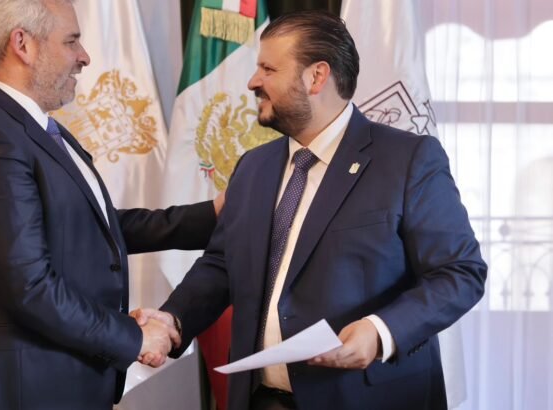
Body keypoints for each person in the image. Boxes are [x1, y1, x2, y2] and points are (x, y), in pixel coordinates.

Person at [133, 10, 487, 410]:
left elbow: (460, 273)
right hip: (260, 400)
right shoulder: (254, 166)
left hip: (367, 399)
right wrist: (174, 319)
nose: (253, 82)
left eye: (268, 69)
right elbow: (222, 264)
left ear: (317, 77)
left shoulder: (407, 160)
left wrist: (379, 331)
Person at [0, 0, 221, 408]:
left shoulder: (31, 126)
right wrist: (134, 337)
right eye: (71, 41)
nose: (84, 56)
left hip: (57, 383)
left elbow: (93, 226)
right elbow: (30, 287)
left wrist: (211, 216)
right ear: (22, 44)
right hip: (22, 393)